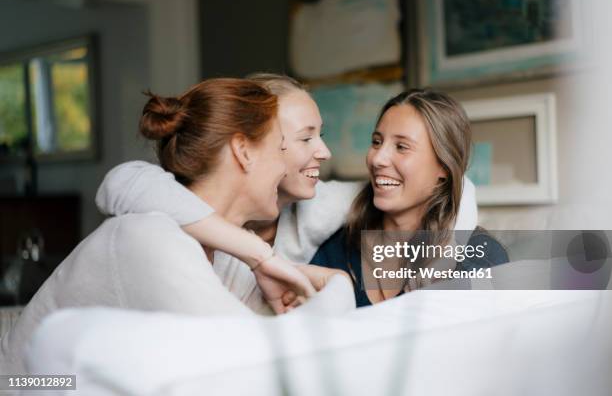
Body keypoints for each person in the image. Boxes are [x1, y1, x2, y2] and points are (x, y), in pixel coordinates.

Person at [0, 78, 327, 374]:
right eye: (278, 147)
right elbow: (253, 358)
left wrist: (323, 282)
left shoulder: (233, 258)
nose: (283, 167)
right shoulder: (147, 238)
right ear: (243, 151)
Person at [95, 75, 480, 313]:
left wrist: (432, 273)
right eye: (303, 138)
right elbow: (123, 182)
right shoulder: (165, 223)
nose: (324, 153)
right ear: (249, 148)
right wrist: (257, 255)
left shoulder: (319, 207)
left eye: (321, 135)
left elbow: (455, 191)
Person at [310, 89, 509, 307]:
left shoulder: (478, 256)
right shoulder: (338, 247)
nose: (377, 159)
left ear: (443, 166)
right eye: (376, 142)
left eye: (401, 147)